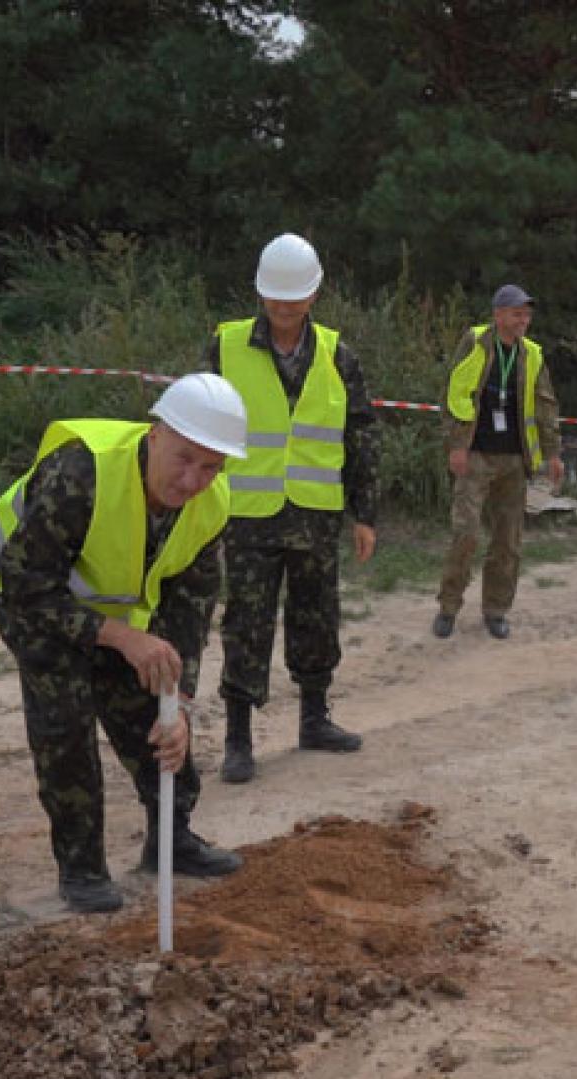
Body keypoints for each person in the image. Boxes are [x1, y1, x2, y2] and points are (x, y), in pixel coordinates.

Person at [0, 374, 248, 914]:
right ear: (155, 434)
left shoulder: (211, 505)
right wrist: (119, 637)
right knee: (65, 722)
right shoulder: (82, 474)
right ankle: (81, 868)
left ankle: (172, 839)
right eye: (183, 458)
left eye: (211, 466)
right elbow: (27, 584)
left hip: (113, 611)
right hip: (27, 594)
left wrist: (179, 701)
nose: (193, 479)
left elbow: (190, 607)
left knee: (152, 716)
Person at [208, 233, 377, 783]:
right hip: (248, 514)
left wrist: (365, 513)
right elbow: (202, 425)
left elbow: (360, 436)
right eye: (274, 297)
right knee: (246, 622)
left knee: (316, 615)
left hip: (315, 514)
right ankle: (238, 737)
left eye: (294, 296)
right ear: (260, 294)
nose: (283, 307)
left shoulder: (338, 355)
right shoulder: (226, 347)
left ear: (314, 295)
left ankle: (314, 718)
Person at [434, 284, 564, 639]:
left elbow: (546, 405)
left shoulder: (532, 354)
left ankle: (496, 609)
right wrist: (456, 445)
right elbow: (453, 393)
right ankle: (448, 606)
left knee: (508, 540)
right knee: (466, 533)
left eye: (527, 314)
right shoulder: (476, 341)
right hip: (476, 454)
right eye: (517, 312)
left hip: (514, 459)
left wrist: (553, 453)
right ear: (498, 314)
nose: (524, 320)